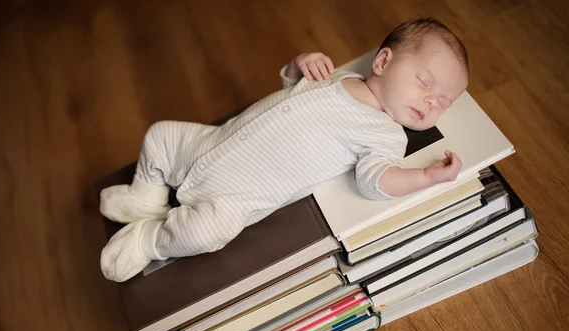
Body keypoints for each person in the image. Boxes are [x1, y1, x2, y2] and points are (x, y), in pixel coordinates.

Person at [99, 17, 468, 282]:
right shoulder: (342, 77)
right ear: (383, 61)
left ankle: (149, 240)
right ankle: (145, 197)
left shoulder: (386, 135)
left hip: (236, 195)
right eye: (425, 82)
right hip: (210, 143)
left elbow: (375, 180)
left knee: (206, 234)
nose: (431, 101)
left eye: (444, 102)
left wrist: (425, 175)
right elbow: (288, 89)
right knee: (161, 135)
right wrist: (298, 65)